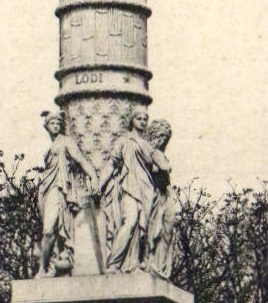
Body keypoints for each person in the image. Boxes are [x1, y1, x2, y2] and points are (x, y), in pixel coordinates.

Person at [100, 106, 170, 272]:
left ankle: (133, 264)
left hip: (146, 188)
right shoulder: (124, 141)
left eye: (145, 119)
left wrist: (164, 165)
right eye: (139, 118)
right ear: (131, 120)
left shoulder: (148, 146)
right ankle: (114, 263)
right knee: (130, 222)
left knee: (142, 228)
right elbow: (111, 164)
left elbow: (161, 165)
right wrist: (100, 184)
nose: (143, 121)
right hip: (129, 186)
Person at [37, 110, 99, 275]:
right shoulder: (52, 145)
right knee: (50, 230)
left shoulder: (66, 142)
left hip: (59, 188)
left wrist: (93, 176)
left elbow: (80, 159)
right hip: (46, 188)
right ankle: (48, 267)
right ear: (46, 126)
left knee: (49, 230)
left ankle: (43, 268)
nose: (55, 125)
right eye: (52, 123)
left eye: (58, 123)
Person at [144, 119, 177, 278]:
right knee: (155, 231)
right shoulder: (152, 152)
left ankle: (161, 266)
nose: (164, 140)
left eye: (166, 137)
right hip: (156, 196)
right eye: (162, 136)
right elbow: (164, 167)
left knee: (167, 232)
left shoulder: (157, 154)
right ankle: (153, 263)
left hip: (166, 195)